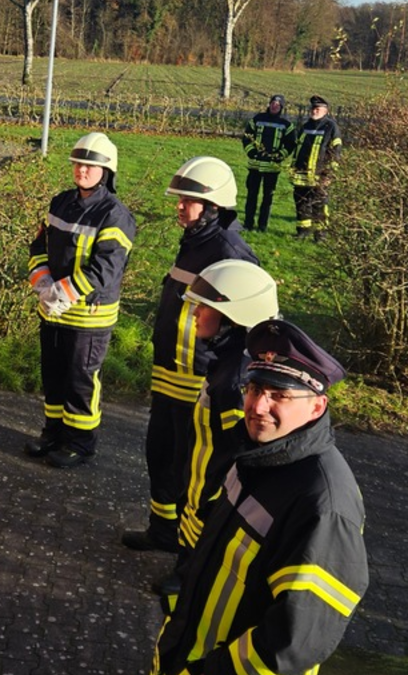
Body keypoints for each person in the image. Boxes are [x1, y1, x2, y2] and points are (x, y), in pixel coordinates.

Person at [151, 319, 368, 675]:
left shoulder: (323, 505)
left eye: (279, 395)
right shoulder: (255, 454)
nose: (257, 406)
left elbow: (293, 642)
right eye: (254, 389)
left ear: (317, 407)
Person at [122, 157, 258, 552]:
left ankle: (189, 555)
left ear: (213, 206)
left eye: (189, 201)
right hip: (170, 375)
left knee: (194, 472)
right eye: (180, 199)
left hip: (200, 381)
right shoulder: (196, 241)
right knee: (161, 455)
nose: (180, 207)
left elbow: (242, 325)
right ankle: (162, 530)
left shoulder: (230, 252)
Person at [155, 260, 280, 597]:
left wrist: (212, 493)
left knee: (203, 531)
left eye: (205, 307)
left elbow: (237, 450)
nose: (195, 314)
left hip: (213, 487)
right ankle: (187, 569)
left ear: (232, 318)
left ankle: (192, 580)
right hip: (201, 478)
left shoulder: (235, 380)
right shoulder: (227, 360)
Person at [25, 132, 136, 468]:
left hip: (89, 316)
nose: (82, 170)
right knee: (53, 376)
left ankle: (80, 443)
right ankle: (53, 433)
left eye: (90, 165)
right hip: (52, 311)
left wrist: (63, 292)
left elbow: (107, 268)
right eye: (77, 163)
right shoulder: (60, 202)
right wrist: (42, 282)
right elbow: (38, 246)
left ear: (107, 171)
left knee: (80, 381)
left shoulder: (114, 215)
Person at [286, 95, 342, 241]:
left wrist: (329, 174)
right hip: (301, 173)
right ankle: (302, 231)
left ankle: (320, 234)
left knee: (319, 205)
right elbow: (298, 149)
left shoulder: (331, 127)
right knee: (301, 203)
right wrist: (293, 168)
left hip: (319, 175)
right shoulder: (306, 126)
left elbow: (336, 151)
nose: (314, 111)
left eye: (317, 109)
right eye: (313, 108)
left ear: (325, 111)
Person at [241, 94, 294, 232]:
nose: (274, 106)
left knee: (267, 198)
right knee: (251, 196)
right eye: (273, 103)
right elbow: (247, 137)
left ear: (281, 107)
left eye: (278, 105)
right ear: (269, 104)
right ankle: (248, 224)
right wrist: (252, 152)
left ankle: (262, 226)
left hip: (272, 168)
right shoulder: (257, 119)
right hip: (255, 165)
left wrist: (279, 156)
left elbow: (290, 144)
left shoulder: (286, 125)